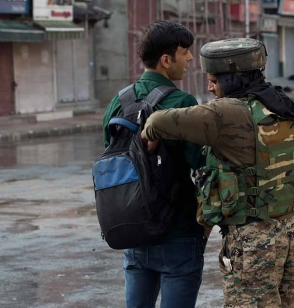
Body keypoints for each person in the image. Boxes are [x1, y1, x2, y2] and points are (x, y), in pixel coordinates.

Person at [141, 38, 294, 307]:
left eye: (214, 80)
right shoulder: (282, 103)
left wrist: (148, 133)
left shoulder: (226, 112)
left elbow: (158, 120)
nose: (210, 87)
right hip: (292, 232)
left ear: (233, 78)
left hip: (252, 240)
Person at [102, 20, 206, 308]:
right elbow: (201, 162)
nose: (189, 59)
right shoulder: (182, 101)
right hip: (178, 233)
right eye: (184, 52)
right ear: (165, 59)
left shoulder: (117, 102)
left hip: (133, 229)